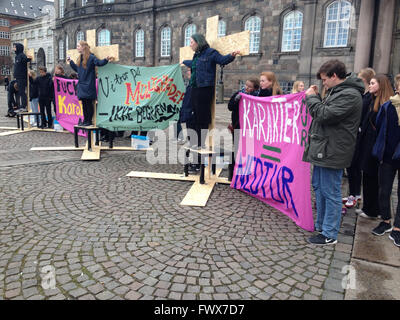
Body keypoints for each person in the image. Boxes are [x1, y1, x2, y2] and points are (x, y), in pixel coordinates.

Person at [303, 60, 364, 246]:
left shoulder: (350, 95)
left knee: (330, 192)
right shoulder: (337, 92)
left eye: (325, 80)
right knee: (320, 189)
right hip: (324, 149)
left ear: (334, 76)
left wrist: (312, 98)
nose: (324, 83)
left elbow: (324, 115)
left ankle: (329, 233)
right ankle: (322, 226)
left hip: (333, 151)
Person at [182, 33, 240, 149]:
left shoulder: (211, 53)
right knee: (193, 115)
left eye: (191, 42)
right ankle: (194, 141)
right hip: (195, 87)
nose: (190, 45)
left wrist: (231, 55)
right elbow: (194, 65)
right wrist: (184, 61)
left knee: (202, 116)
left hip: (204, 88)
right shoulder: (197, 55)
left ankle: (200, 143)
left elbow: (222, 60)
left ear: (198, 42)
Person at [357, 75, 394, 220]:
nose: (370, 86)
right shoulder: (372, 100)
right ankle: (368, 207)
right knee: (367, 177)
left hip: (375, 146)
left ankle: (373, 209)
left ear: (381, 85)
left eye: (373, 83)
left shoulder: (385, 103)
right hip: (367, 144)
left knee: (373, 179)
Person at [372, 74, 400, 246]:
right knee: (384, 190)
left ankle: (397, 228)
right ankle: (386, 220)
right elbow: (379, 127)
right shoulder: (388, 106)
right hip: (388, 155)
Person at [343, 67, 376, 210]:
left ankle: (355, 194)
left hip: (360, 136)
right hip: (355, 134)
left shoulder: (369, 98)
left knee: (354, 165)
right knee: (351, 166)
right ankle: (354, 193)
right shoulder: (363, 96)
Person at [67, 40, 113, 126]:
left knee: (88, 103)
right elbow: (78, 70)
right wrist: (71, 62)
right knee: (84, 104)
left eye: (78, 46)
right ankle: (85, 120)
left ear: (83, 47)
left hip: (88, 85)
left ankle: (89, 120)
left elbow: (98, 63)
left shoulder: (91, 57)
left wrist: (106, 59)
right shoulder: (80, 58)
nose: (77, 48)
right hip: (82, 85)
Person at [227, 77, 260, 181]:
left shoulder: (257, 96)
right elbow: (230, 106)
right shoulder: (239, 93)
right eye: (246, 85)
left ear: (255, 88)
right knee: (237, 149)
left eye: (249, 87)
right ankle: (233, 174)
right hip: (237, 126)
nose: (246, 88)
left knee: (247, 151)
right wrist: (237, 99)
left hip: (249, 128)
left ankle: (245, 173)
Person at [12, 43, 32, 111]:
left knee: (22, 91)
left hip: (22, 76)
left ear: (18, 48)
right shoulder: (17, 56)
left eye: (14, 47)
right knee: (20, 91)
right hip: (18, 76)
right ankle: (21, 105)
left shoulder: (21, 55)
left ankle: (24, 106)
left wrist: (29, 59)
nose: (13, 49)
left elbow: (25, 60)